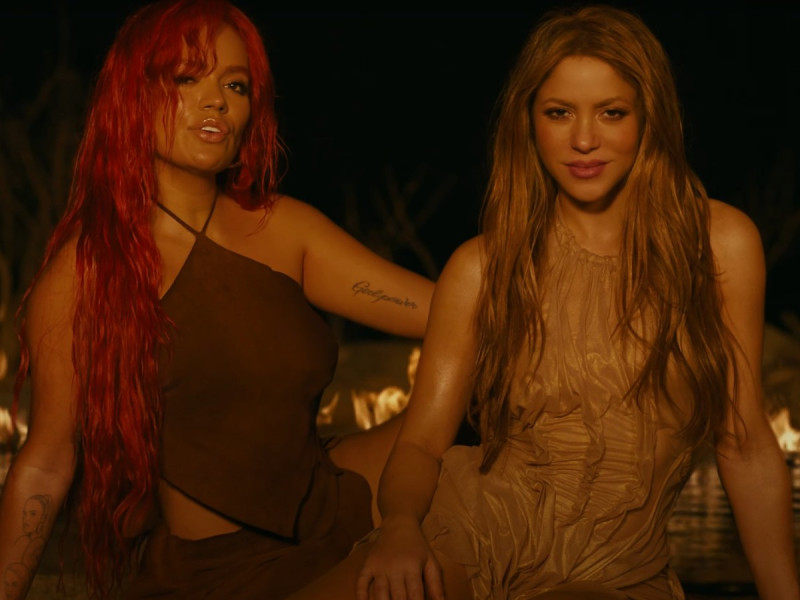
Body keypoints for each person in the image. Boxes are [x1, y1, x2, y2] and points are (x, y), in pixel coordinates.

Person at [288, 5, 800, 600]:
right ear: (528, 122)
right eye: (559, 113)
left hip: (617, 570)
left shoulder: (720, 245)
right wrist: (400, 526)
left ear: (650, 117)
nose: (583, 139)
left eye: (611, 112)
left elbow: (745, 443)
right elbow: (423, 443)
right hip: (469, 532)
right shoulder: (483, 267)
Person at [0, 0, 434, 599]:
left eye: (235, 85)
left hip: (343, 508)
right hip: (219, 572)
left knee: (487, 424)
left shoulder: (284, 229)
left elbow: (453, 313)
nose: (217, 101)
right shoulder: (86, 271)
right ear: (134, 94)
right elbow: (47, 462)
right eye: (187, 78)